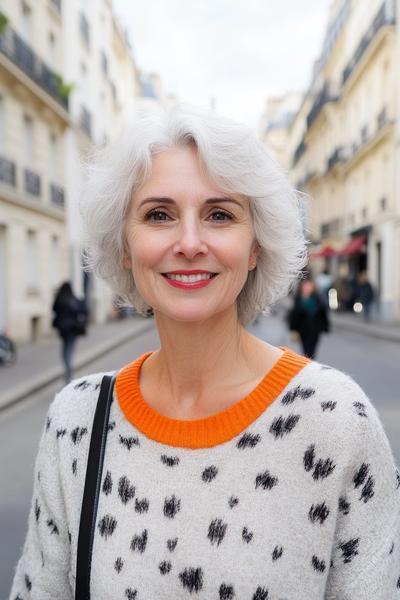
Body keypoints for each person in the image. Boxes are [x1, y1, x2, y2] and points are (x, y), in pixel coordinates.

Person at [10, 107, 399, 600]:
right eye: (158, 215)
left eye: (219, 215)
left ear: (255, 245)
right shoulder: (77, 421)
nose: (189, 243)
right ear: (125, 246)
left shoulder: (337, 421)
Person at [52, 281, 88, 383]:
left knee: (65, 352)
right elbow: (83, 311)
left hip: (63, 330)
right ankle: (69, 373)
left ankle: (68, 373)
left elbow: (54, 309)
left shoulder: (60, 299)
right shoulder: (73, 299)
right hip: (73, 329)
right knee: (69, 351)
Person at [288, 277, 330, 359]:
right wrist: (293, 328)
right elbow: (294, 315)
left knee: (313, 349)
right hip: (303, 329)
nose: (307, 288)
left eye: (309, 286)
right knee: (306, 349)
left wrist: (325, 326)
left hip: (315, 329)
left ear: (313, 287)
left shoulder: (318, 298)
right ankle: (309, 363)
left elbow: (323, 313)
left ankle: (311, 362)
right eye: (305, 286)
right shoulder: (298, 299)